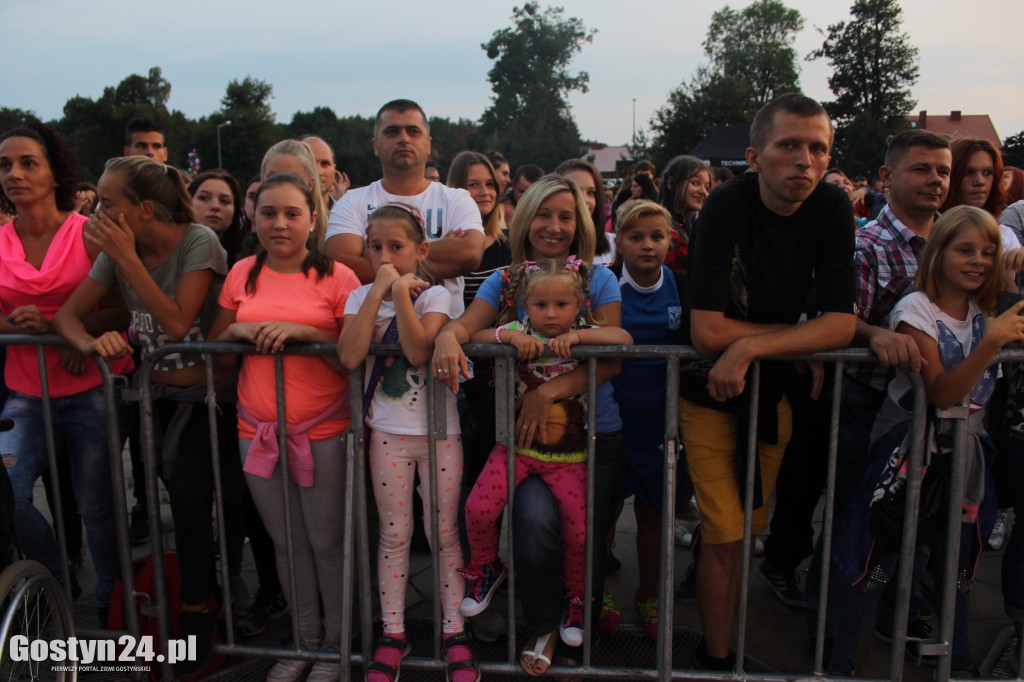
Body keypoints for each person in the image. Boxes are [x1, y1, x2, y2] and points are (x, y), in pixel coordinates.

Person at [679, 94, 856, 670]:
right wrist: (804, 336)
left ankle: (721, 632)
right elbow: (706, 332)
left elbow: (843, 322)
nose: (805, 160)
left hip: (772, 388)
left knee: (747, 529)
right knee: (728, 531)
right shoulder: (725, 206)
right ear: (756, 156)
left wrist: (755, 344)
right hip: (707, 388)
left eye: (818, 148)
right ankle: (715, 655)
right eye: (789, 146)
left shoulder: (832, 207)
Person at [431, 174, 625, 676]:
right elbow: (466, 324)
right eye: (543, 214)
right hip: (522, 438)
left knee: (586, 535)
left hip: (592, 433)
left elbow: (614, 358)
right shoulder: (505, 280)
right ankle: (541, 624)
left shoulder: (596, 278)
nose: (554, 226)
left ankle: (574, 610)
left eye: (565, 216)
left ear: (580, 223)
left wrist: (549, 391)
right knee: (536, 527)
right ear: (524, 219)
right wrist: (450, 338)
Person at [53, 155, 237, 677]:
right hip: (152, 396)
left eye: (108, 204)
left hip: (208, 396)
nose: (97, 214)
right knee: (174, 501)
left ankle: (198, 611)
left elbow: (178, 322)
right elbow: (68, 315)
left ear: (144, 209)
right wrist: (92, 341)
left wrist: (127, 258)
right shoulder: (118, 254)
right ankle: (204, 592)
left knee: (189, 497)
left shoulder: (196, 241)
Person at [825, 206, 1022, 677]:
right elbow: (943, 393)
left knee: (958, 570)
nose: (978, 259)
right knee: (878, 563)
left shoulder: (988, 306)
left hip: (967, 457)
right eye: (965, 249)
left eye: (989, 251)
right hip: (908, 452)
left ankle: (959, 664)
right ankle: (837, 663)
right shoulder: (915, 311)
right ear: (939, 253)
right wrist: (990, 343)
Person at [804, 128, 952, 663]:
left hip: (934, 412)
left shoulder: (953, 242)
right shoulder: (865, 245)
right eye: (922, 168)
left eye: (942, 171)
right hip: (867, 408)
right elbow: (837, 321)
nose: (935, 179)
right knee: (851, 521)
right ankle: (826, 631)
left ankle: (895, 620)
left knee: (914, 523)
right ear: (887, 178)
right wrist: (875, 335)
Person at [211, 173, 360, 682]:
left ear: (313, 218)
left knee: (327, 544)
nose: (279, 223)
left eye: (292, 213)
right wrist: (234, 331)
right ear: (252, 216)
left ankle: (337, 647)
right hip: (256, 432)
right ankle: (303, 642)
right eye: (269, 212)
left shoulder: (340, 278)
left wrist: (304, 332)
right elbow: (219, 353)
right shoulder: (240, 275)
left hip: (323, 432)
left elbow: (353, 358)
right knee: (284, 543)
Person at [337, 203, 478, 682]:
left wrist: (400, 293)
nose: (384, 256)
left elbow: (419, 351)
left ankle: (454, 630)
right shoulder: (359, 299)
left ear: (419, 251)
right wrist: (380, 290)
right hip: (388, 435)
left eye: (395, 248)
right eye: (374, 248)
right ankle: (393, 632)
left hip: (441, 435)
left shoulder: (435, 295)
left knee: (442, 534)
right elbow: (350, 355)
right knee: (394, 536)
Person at [459, 258, 631, 649]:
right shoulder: (520, 329)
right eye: (540, 305)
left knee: (579, 533)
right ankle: (485, 568)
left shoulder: (582, 331)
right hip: (515, 450)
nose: (551, 314)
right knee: (477, 509)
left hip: (568, 459)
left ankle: (575, 599)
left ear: (579, 304)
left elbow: (623, 339)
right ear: (525, 305)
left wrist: (581, 339)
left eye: (561, 305)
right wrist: (509, 337)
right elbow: (480, 337)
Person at [0, 124, 132, 623]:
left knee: (96, 508)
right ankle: (51, 582)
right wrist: (21, 323)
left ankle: (108, 605)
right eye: (5, 164)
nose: (15, 173)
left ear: (56, 170)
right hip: (25, 391)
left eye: (28, 162)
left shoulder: (88, 233)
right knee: (9, 496)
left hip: (90, 388)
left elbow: (123, 308)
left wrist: (61, 329)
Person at [605, 201, 684, 641]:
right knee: (608, 511)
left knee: (655, 515)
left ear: (670, 240)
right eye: (636, 236)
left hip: (661, 426)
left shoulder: (680, 285)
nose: (647, 245)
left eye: (656, 236)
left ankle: (649, 593)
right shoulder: (605, 284)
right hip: (614, 422)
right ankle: (597, 590)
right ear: (619, 241)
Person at [325, 99, 484, 313]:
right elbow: (342, 265)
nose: (403, 139)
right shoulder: (352, 201)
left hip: (442, 338)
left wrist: (370, 256)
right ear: (375, 145)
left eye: (413, 131)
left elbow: (470, 254)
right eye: (392, 132)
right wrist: (439, 250)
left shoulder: (457, 199)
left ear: (428, 145)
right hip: (372, 338)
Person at [655, 155, 710, 274]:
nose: (704, 192)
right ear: (671, 182)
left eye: (706, 187)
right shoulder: (660, 227)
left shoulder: (687, 226)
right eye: (695, 183)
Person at [555, 159, 614, 264]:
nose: (585, 199)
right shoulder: (544, 243)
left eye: (591, 192)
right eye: (575, 190)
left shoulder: (614, 244)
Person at [188, 170, 244, 265]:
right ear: (188, 202)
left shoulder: (244, 259)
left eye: (224, 201)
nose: (215, 206)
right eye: (204, 198)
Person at [299, 134, 350, 207]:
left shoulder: (349, 215)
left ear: (334, 170)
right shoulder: (279, 215)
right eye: (310, 162)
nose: (318, 171)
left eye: (325, 163)